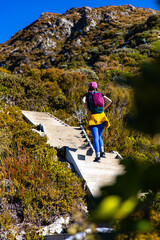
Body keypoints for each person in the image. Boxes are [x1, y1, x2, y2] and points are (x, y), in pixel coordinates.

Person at [82, 81, 112, 163]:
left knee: (95, 137)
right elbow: (110, 101)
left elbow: (83, 101)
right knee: (99, 136)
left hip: (93, 118)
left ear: (89, 87)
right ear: (96, 87)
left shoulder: (87, 94)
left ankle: (97, 157)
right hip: (102, 117)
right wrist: (103, 108)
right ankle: (102, 152)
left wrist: (87, 108)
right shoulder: (101, 94)